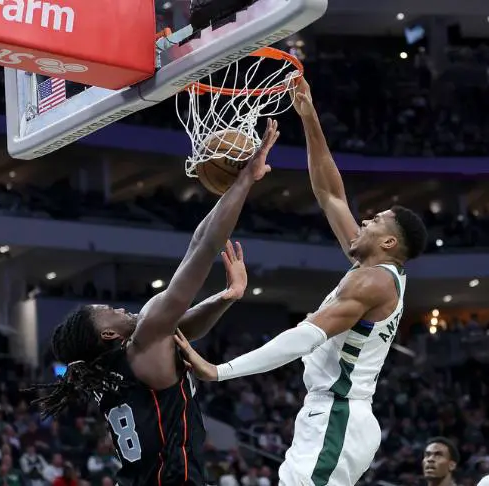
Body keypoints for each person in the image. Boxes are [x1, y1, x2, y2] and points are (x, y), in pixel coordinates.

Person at [174, 76, 428, 486]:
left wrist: (220, 370)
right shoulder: (373, 270)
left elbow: (303, 337)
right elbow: (330, 194)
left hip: (339, 414)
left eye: (375, 220)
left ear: (388, 241)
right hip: (331, 415)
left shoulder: (372, 284)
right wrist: (309, 117)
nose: (363, 220)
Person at [25, 119, 280, 486]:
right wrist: (245, 179)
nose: (117, 308)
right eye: (106, 312)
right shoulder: (145, 334)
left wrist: (227, 297)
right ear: (109, 334)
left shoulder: (124, 363)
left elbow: (184, 328)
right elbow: (202, 247)